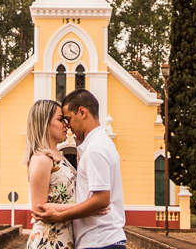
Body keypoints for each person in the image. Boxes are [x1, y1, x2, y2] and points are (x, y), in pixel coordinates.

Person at [33, 89, 125, 249]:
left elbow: (101, 200)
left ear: (82, 112)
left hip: (99, 240)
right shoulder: (100, 144)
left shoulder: (95, 149)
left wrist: (60, 214)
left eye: (68, 119)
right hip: (99, 239)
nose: (68, 126)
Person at [26, 99, 76, 249]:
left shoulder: (60, 157)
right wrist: (85, 207)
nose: (66, 124)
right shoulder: (42, 159)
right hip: (48, 242)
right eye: (60, 119)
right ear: (45, 122)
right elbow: (38, 209)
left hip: (64, 239)